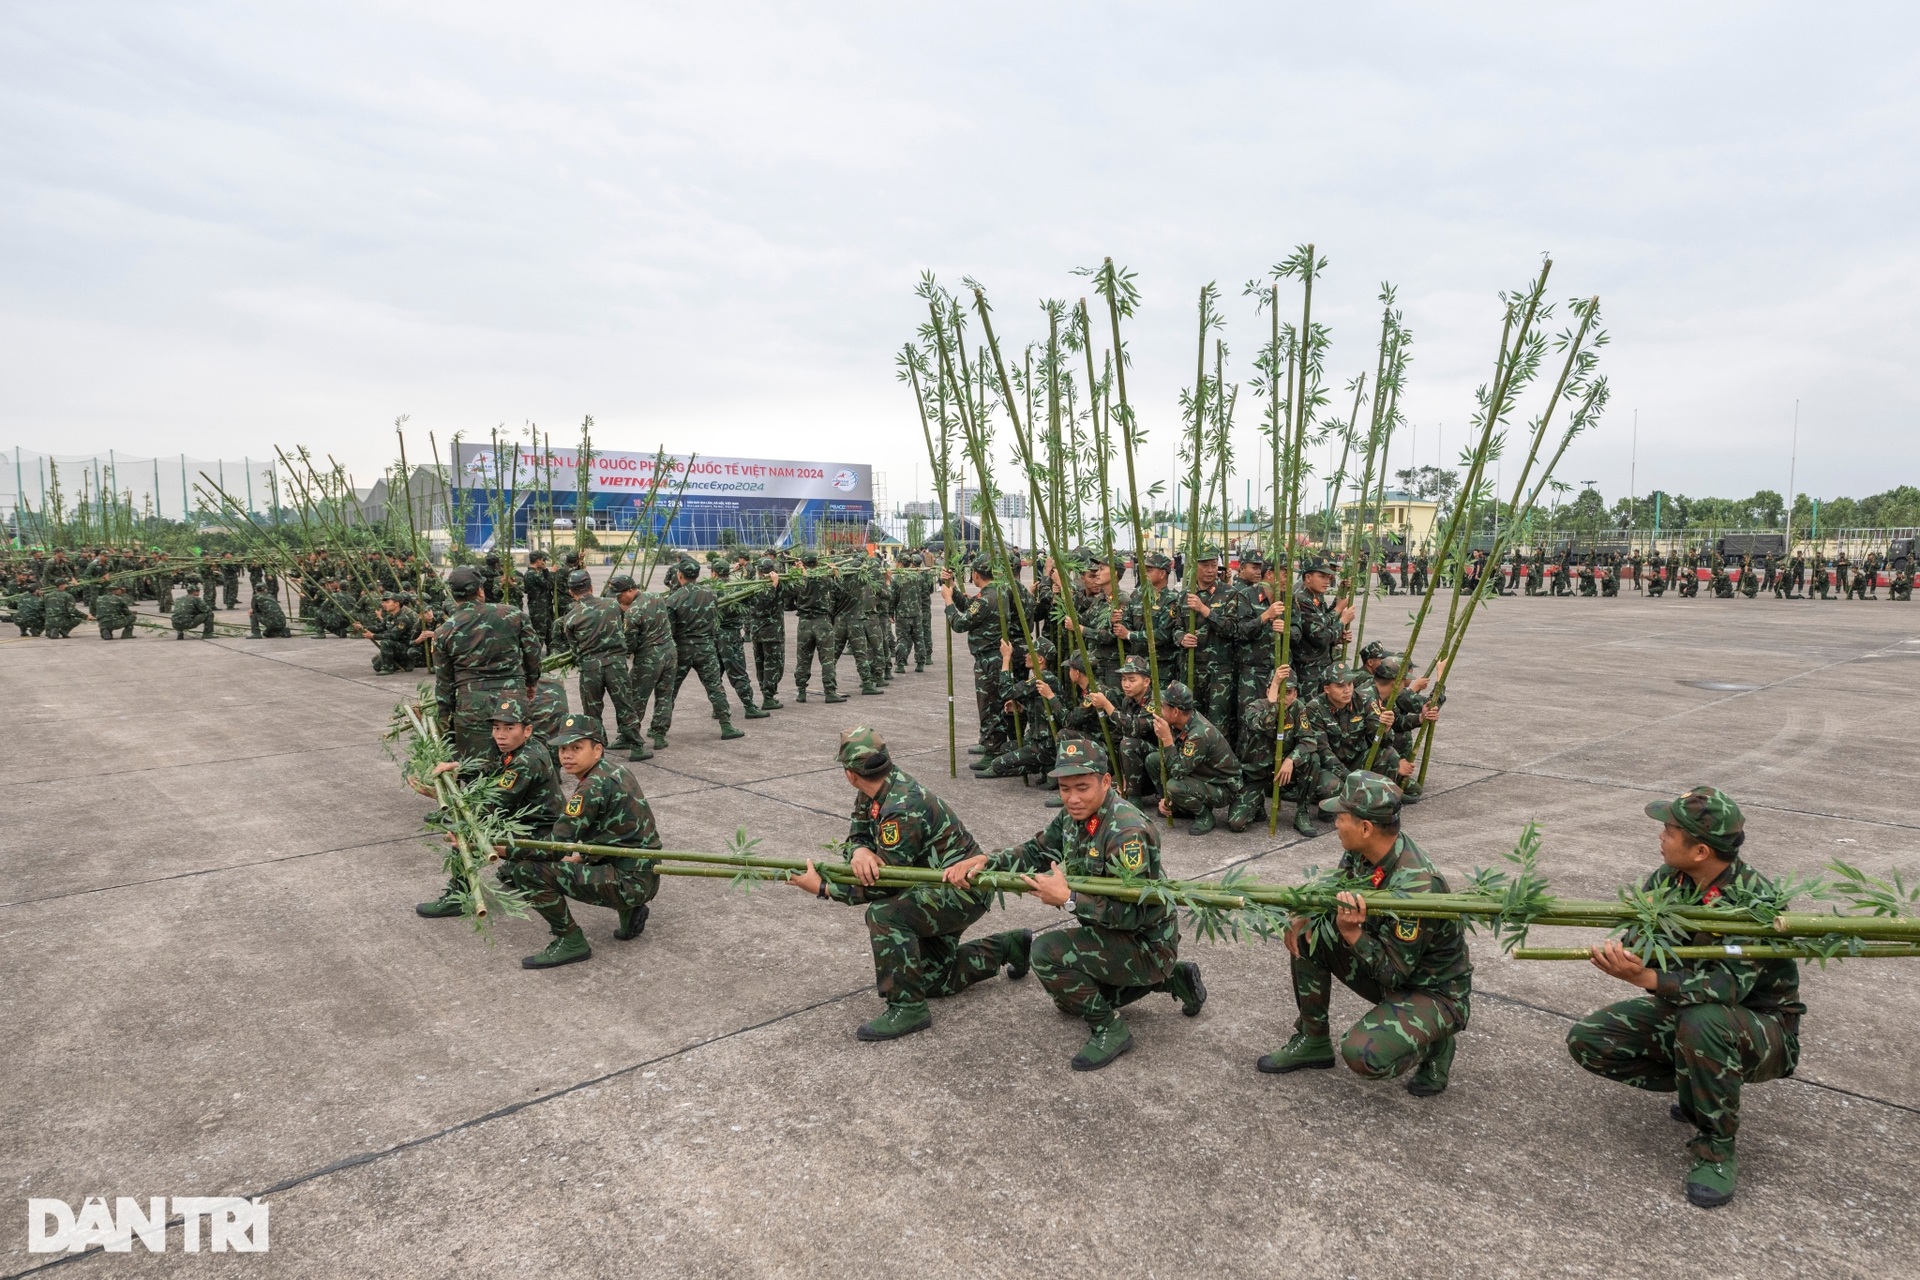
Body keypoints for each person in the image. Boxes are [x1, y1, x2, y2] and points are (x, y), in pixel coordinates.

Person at [1565, 787, 1804, 1209]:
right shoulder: (1668, 879)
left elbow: (1726, 989)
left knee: (1704, 1020)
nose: (1660, 835)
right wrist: (1626, 955)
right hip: (1693, 1013)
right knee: (1590, 1040)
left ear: (1700, 850)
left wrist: (1647, 977)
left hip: (1762, 1029)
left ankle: (1716, 1149)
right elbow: (1642, 936)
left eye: (1669, 829)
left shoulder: (1754, 904)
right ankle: (1698, 1087)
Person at [944, 736, 1206, 1071]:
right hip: (1113, 936)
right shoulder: (1074, 816)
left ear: (1106, 781)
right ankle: (1173, 980)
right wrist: (986, 862)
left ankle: (1111, 1027)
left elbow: (1131, 913)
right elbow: (1037, 851)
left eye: (1082, 787)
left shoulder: (1127, 832)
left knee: (1045, 953)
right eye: (1065, 789)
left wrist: (1068, 899)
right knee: (1068, 1001)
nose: (1072, 798)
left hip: (1144, 942)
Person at [787, 728, 1030, 1041]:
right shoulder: (877, 787)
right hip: (932, 890)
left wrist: (823, 888)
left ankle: (908, 1008)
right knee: (932, 980)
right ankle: (1007, 947)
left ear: (849, 774)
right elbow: (857, 834)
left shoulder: (901, 807)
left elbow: (885, 884)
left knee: (884, 915)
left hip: (961, 890)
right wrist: (860, 849)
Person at [1258, 771, 1472, 1098]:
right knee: (1308, 933)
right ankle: (1313, 1039)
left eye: (1340, 817)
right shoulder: (1365, 850)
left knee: (1364, 1056)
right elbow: (1337, 882)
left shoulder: (1417, 887)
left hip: (1432, 991)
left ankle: (1435, 1044)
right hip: (1389, 969)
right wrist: (1305, 909)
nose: (1335, 824)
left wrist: (1352, 933)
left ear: (1365, 827)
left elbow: (1395, 974)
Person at [495, 713, 663, 969]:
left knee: (527, 871)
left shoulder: (592, 787)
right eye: (563, 748)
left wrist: (503, 849)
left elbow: (553, 846)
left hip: (630, 882)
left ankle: (571, 940)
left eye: (576, 748)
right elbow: (614, 833)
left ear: (597, 750)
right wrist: (581, 856)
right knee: (565, 858)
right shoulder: (613, 771)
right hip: (642, 872)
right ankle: (631, 911)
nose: (567, 755)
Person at [414, 691, 565, 919]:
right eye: (496, 728)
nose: (500, 735)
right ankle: (515, 867)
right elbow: (494, 767)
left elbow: (491, 806)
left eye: (509, 728)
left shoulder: (526, 761)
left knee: (465, 833)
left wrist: (442, 797)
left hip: (541, 834)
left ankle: (460, 897)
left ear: (527, 730)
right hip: (534, 823)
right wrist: (458, 767)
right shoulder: (523, 748)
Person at [432, 564, 543, 762]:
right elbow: (533, 652)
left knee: (477, 766)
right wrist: (531, 683)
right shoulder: (513, 614)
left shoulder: (443, 632)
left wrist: (444, 718)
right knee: (519, 761)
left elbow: (444, 682)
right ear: (480, 590)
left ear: (453, 595)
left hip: (472, 702)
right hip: (512, 696)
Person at [651, 560, 747, 745]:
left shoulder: (672, 599)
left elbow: (669, 630)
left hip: (682, 649)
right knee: (715, 687)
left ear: (680, 575)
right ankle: (726, 726)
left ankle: (658, 733)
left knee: (668, 691)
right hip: (706, 647)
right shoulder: (710, 594)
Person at [1230, 666, 1325, 836]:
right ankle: (1257, 804)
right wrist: (1274, 690)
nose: (1284, 697)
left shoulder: (1298, 708)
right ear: (1269, 691)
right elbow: (1265, 722)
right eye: (1279, 691)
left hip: (1283, 774)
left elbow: (1309, 741)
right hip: (1257, 775)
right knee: (1236, 823)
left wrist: (1291, 760)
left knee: (1313, 759)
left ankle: (1302, 813)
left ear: (1295, 694)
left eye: (1288, 692)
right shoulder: (1254, 708)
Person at [1142, 680, 1242, 835]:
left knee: (1174, 785)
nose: (1159, 710)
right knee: (1153, 760)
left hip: (1222, 787)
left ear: (1175, 711)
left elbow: (1178, 772)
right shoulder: (1182, 721)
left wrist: (1167, 739)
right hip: (1199, 774)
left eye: (1162, 707)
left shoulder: (1199, 734)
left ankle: (1204, 815)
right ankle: (1173, 805)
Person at [564, 571, 645, 757]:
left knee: (592, 710)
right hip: (616, 664)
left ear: (570, 592)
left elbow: (575, 650)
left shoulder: (570, 618)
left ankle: (597, 750)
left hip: (590, 667)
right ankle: (636, 746)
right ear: (591, 587)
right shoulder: (612, 605)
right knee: (624, 704)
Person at [789, 552, 845, 704]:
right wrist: (836, 574)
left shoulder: (797, 580)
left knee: (803, 659)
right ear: (817, 563)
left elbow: (788, 603)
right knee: (827, 659)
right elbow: (840, 591)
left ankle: (801, 691)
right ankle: (830, 692)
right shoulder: (825, 578)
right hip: (822, 622)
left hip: (804, 622)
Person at [747, 557, 788, 706]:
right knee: (772, 664)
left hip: (758, 632)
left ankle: (767, 694)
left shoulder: (751, 584)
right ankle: (768, 697)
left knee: (762, 663)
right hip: (771, 633)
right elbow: (762, 602)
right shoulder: (765, 586)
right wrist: (774, 585)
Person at [522, 550, 556, 646]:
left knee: (549, 631)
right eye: (542, 560)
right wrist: (552, 572)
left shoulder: (532, 573)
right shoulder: (533, 574)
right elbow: (548, 585)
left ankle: (551, 653)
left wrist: (545, 570)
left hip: (543, 607)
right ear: (537, 560)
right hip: (538, 608)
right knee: (540, 633)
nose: (543, 562)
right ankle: (536, 656)